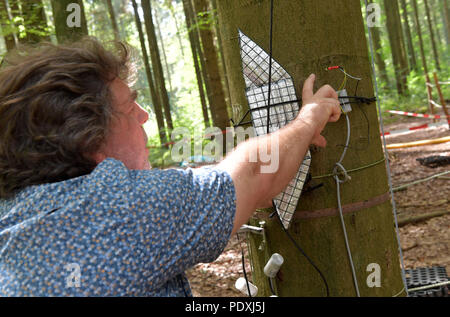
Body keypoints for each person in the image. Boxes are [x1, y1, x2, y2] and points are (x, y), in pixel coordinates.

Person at [0, 38, 340, 296]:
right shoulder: (118, 209)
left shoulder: (13, 212)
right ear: (89, 140)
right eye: (131, 108)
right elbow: (255, 173)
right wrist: (309, 117)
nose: (145, 115)